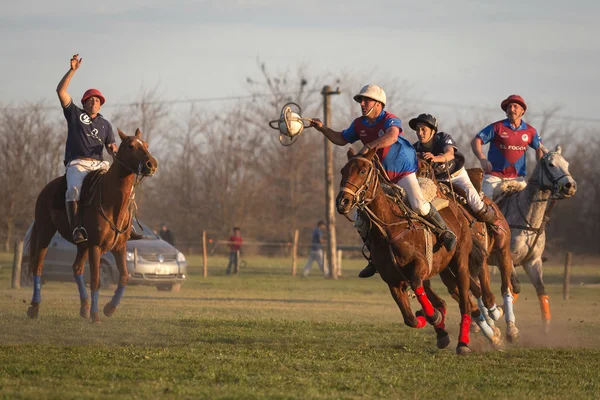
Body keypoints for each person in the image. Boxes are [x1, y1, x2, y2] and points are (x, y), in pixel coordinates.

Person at [311, 84, 457, 278]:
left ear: (379, 104)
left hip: (402, 171)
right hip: (380, 176)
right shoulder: (359, 124)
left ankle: (445, 232)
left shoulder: (389, 119)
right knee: (361, 218)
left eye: (366, 100)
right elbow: (340, 138)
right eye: (361, 101)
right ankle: (374, 258)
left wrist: (369, 147)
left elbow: (392, 136)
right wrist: (322, 128)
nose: (362, 104)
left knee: (418, 205)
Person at [57, 53, 117, 243]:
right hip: (78, 164)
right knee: (74, 189)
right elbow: (61, 91)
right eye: (91, 99)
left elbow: (112, 147)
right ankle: (77, 228)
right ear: (84, 102)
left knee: (119, 186)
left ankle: (122, 224)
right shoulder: (75, 114)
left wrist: (118, 156)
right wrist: (72, 70)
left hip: (100, 164)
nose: (95, 102)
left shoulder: (105, 124)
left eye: (98, 100)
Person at [409, 113, 503, 232]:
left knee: (474, 200)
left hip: (456, 176)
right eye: (417, 130)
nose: (420, 133)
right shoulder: (414, 148)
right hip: (435, 181)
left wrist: (435, 158)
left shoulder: (443, 138)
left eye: (424, 129)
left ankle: (496, 226)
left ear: (433, 130)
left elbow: (449, 154)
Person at [471, 94, 543, 198]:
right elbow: (476, 141)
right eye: (509, 107)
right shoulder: (497, 127)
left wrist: (540, 166)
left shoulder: (530, 131)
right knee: (483, 207)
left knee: (530, 205)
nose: (511, 109)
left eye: (515, 106)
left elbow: (539, 148)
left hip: (517, 179)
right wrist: (482, 159)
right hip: (494, 178)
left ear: (522, 111)